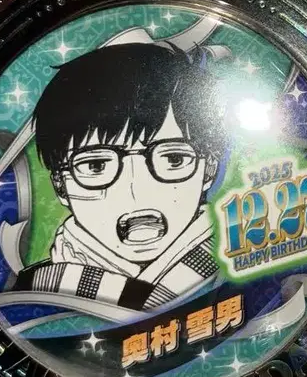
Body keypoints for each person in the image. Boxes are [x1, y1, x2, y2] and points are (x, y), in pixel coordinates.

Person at [12, 41, 226, 312]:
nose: (137, 191)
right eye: (96, 165)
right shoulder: (30, 296)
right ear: (60, 186)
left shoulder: (248, 265)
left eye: (173, 159)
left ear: (209, 168)